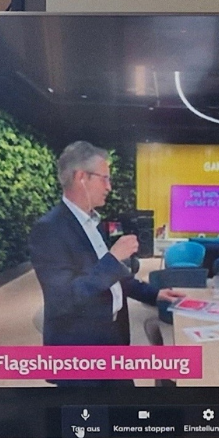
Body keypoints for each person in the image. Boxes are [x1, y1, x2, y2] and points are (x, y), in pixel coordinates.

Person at [30, 142, 181, 350]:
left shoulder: (94, 222)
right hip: (79, 351)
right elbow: (65, 298)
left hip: (113, 337)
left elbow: (114, 280)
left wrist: (154, 294)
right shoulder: (49, 230)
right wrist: (113, 258)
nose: (109, 187)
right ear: (81, 177)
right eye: (105, 178)